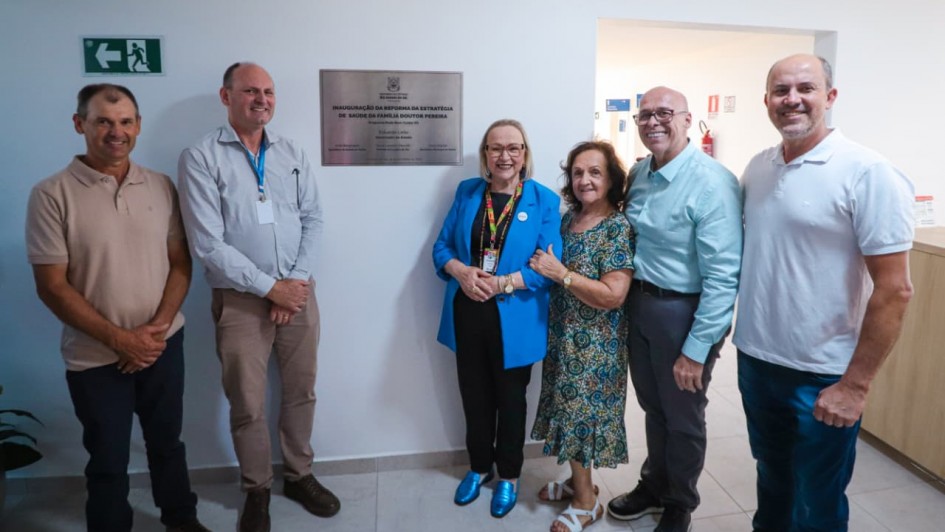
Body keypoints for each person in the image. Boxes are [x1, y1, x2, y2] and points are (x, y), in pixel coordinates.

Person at [734, 53, 914, 532]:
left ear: (829, 97)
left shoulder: (867, 172)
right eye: (781, 90)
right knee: (771, 482)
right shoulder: (758, 168)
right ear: (767, 101)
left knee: (817, 502)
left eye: (806, 88)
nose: (792, 99)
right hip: (756, 361)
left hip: (823, 375)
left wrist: (854, 386)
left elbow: (895, 291)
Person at [25, 84, 208, 532]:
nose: (116, 132)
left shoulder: (161, 185)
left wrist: (155, 331)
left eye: (125, 121)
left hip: (162, 345)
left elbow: (181, 264)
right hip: (95, 357)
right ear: (79, 124)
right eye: (103, 121)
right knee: (108, 457)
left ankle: (180, 519)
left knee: (167, 443)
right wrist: (121, 340)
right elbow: (51, 286)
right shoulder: (51, 194)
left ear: (138, 126)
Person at [177, 62, 337, 532]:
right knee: (246, 401)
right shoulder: (201, 156)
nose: (262, 99)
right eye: (250, 91)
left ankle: (299, 474)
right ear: (226, 96)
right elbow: (207, 244)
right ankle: (257, 490)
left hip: (299, 292)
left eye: (268, 91)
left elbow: (314, 219)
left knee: (301, 391)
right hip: (242, 301)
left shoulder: (290, 152)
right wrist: (271, 289)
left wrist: (295, 283)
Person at [608, 86, 743, 532]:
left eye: (665, 113)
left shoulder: (711, 181)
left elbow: (724, 276)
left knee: (683, 414)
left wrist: (697, 348)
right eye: (645, 114)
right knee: (653, 406)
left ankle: (680, 503)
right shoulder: (641, 172)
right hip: (640, 305)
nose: (653, 122)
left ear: (687, 120)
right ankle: (654, 485)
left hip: (683, 312)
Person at [433, 119, 562, 518]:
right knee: (474, 397)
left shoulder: (543, 200)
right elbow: (440, 247)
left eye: (514, 148)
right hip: (468, 312)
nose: (504, 156)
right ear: (485, 155)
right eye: (495, 148)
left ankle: (508, 475)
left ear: (525, 155)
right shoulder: (468, 193)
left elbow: (549, 267)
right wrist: (460, 271)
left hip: (516, 321)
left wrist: (503, 282)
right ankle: (477, 467)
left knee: (511, 401)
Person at [529, 141, 634, 532]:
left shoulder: (615, 227)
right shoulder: (569, 219)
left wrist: (562, 274)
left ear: (610, 179)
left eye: (594, 172)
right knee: (566, 413)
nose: (584, 180)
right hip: (563, 337)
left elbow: (614, 295)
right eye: (577, 173)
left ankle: (587, 502)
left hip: (595, 345)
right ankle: (578, 480)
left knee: (581, 418)